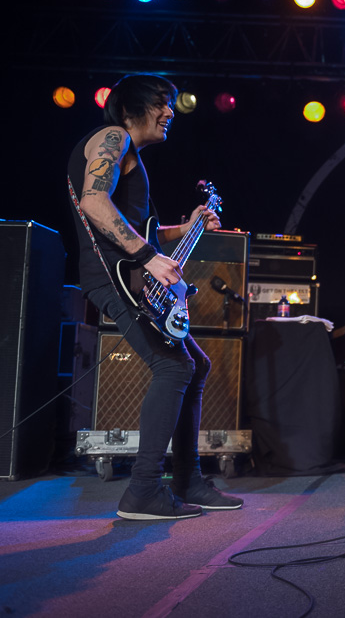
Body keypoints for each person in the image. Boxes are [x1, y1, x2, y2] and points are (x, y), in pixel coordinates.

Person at [67, 74, 242, 520]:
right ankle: (143, 490)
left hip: (123, 269)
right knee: (174, 364)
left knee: (194, 364)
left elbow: (133, 229)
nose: (170, 113)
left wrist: (185, 230)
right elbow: (93, 202)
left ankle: (187, 481)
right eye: (162, 103)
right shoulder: (113, 137)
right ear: (131, 109)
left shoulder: (131, 156)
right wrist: (147, 256)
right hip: (113, 277)